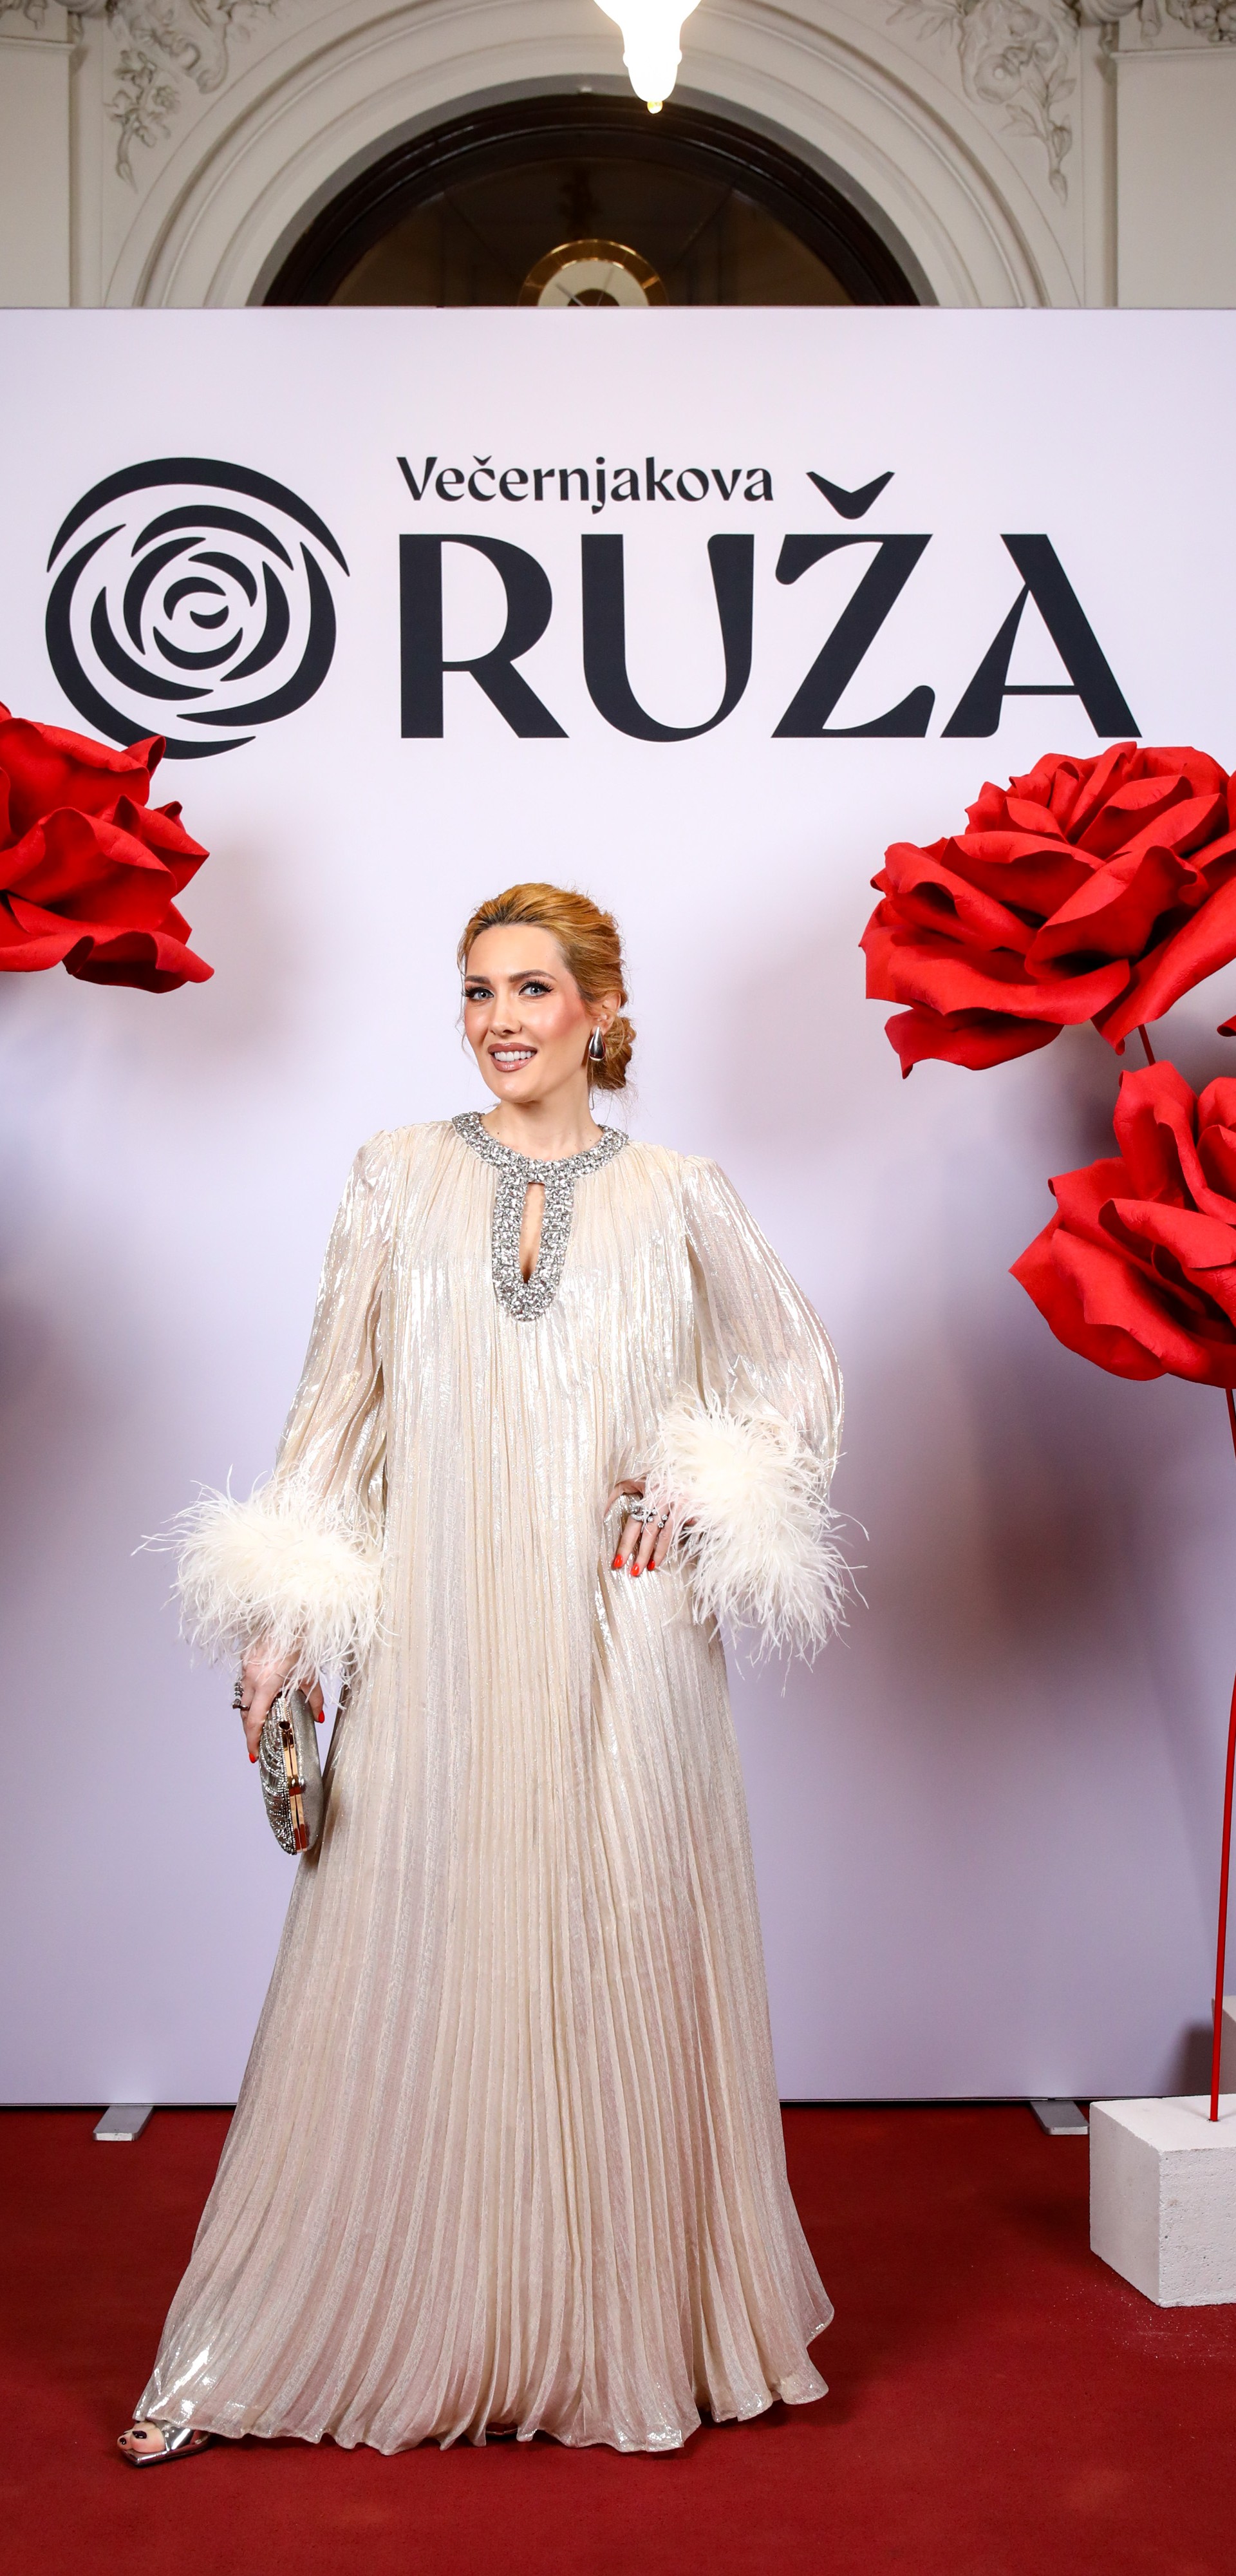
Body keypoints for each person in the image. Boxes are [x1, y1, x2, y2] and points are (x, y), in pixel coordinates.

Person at [119, 882, 848, 2465]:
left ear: (602, 1006)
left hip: (624, 1639)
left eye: (531, 987)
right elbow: (336, 1412)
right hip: (442, 1627)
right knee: (408, 1943)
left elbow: (797, 1371)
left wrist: (702, 1485)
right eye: (476, 990)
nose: (500, 1019)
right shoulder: (397, 1174)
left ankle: (617, 2336)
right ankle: (298, 2338)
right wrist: (282, 1615)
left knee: (621, 1948)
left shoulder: (682, 1193)